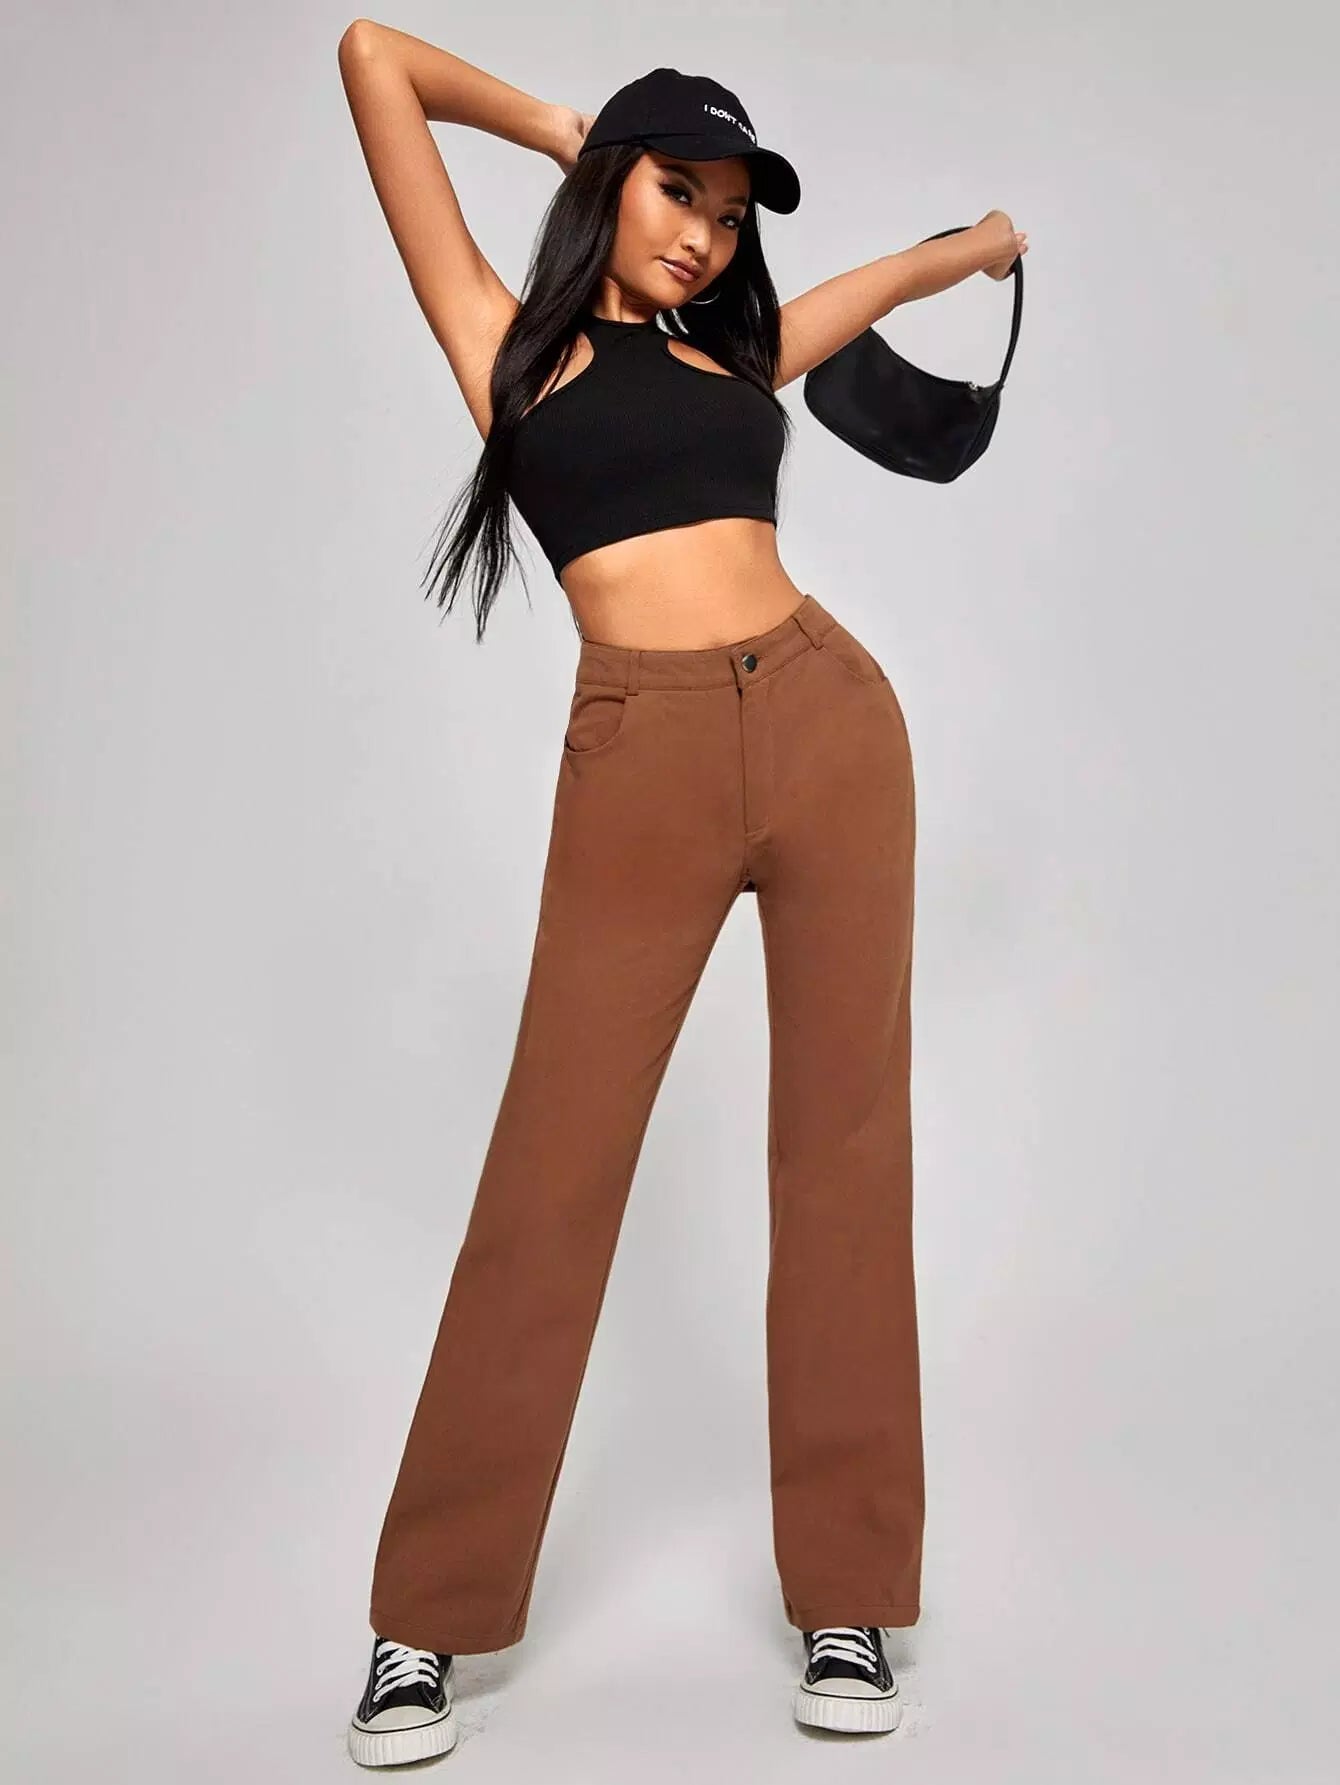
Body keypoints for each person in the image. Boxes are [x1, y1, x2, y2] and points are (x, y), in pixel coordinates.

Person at [336, 22, 1027, 1766]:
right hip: (637, 751)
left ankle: (851, 1598)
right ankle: (426, 1621)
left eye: (729, 212)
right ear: (611, 185)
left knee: (847, 1154)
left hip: (830, 725)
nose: (706, 235)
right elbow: (371, 57)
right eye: (676, 192)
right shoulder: (507, 344)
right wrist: (557, 123)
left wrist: (971, 251)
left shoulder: (735, 359)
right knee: (551, 1171)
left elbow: (863, 293)